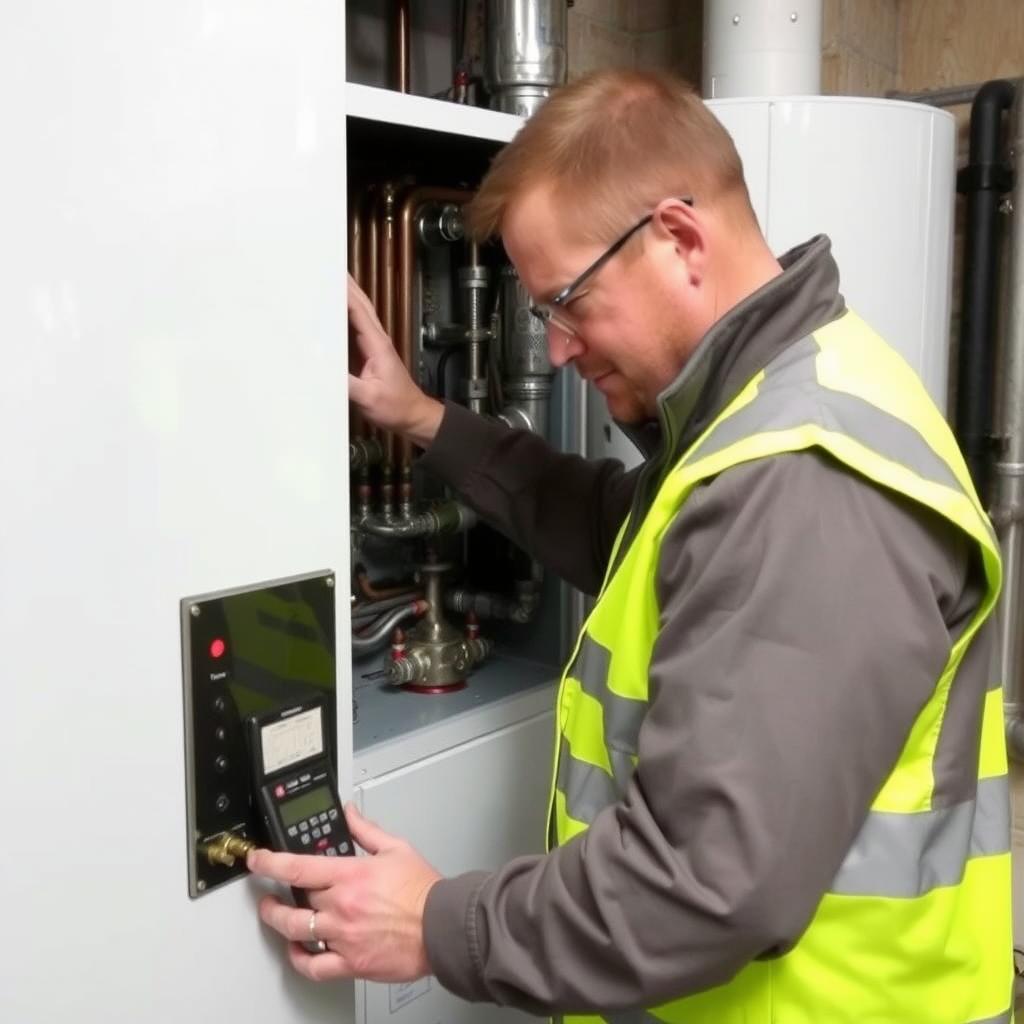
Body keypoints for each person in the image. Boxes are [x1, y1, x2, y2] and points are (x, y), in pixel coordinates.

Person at [247, 69, 1013, 1022]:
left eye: (567, 301)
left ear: (679, 238)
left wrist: (434, 925)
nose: (557, 348)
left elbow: (701, 887)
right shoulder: (778, 405)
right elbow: (628, 530)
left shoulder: (803, 480)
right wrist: (421, 417)